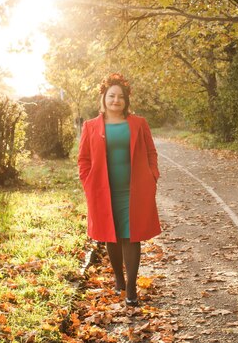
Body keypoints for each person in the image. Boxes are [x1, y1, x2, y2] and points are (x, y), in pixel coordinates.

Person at [77, 73, 161, 307]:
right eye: (111, 96)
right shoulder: (91, 126)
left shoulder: (139, 123)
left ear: (126, 101)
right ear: (103, 98)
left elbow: (151, 152)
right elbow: (83, 159)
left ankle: (131, 288)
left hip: (134, 190)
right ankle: (118, 277)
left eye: (120, 97)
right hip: (103, 190)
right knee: (110, 236)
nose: (116, 100)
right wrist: (87, 180)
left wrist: (153, 175)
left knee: (130, 235)